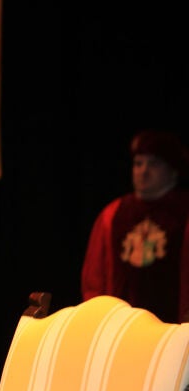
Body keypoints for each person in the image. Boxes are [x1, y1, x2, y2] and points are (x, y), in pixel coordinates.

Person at [81, 129, 189, 324]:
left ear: (173, 171)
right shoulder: (113, 214)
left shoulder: (184, 212)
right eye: (138, 164)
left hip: (175, 328)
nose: (143, 171)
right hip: (121, 327)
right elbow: (94, 279)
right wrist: (100, 320)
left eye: (154, 164)